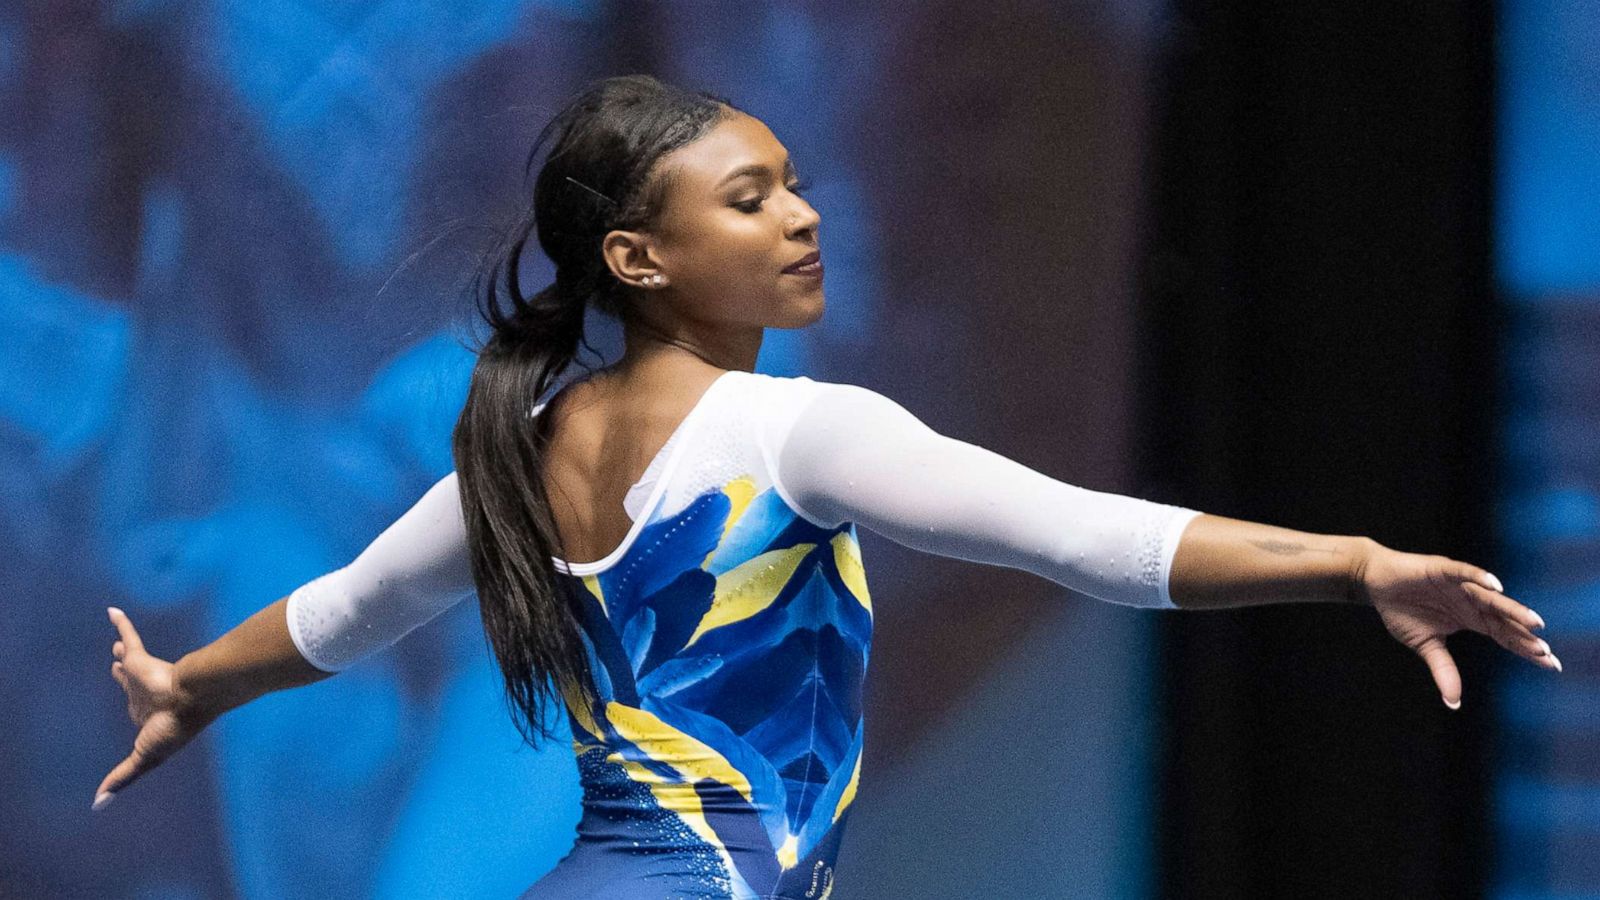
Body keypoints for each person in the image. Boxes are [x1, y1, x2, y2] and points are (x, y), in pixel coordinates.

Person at [97, 74, 1558, 899]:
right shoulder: (794, 433)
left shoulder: (522, 452)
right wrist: (1356, 561)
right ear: (638, 260)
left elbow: (339, 617)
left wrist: (189, 687)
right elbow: (1087, 537)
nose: (802, 216)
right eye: (750, 201)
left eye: (792, 180)